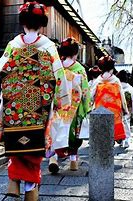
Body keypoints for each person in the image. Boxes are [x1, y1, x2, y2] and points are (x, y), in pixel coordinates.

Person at [0, 2, 71, 200]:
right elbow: (59, 76)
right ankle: (31, 189)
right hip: (38, 104)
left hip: (15, 104)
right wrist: (62, 100)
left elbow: (1, 67)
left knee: (16, 143)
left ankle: (14, 182)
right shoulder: (48, 46)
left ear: (22, 22)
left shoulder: (13, 44)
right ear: (42, 23)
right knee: (34, 145)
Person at [48, 37, 91, 173]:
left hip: (58, 105)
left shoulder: (56, 66)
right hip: (74, 108)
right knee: (73, 135)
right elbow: (85, 91)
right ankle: (73, 161)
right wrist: (87, 107)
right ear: (75, 53)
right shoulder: (79, 69)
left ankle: (53, 158)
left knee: (55, 131)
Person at [91, 56, 128, 143]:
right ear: (112, 68)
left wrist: (90, 107)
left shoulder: (98, 81)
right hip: (114, 110)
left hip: (100, 109)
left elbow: (91, 95)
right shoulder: (115, 80)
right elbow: (122, 96)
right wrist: (125, 109)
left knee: (102, 131)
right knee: (113, 129)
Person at [116, 70, 133, 148]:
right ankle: (126, 139)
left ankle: (120, 139)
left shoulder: (116, 86)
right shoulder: (130, 88)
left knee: (117, 124)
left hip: (117, 108)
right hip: (127, 109)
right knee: (126, 123)